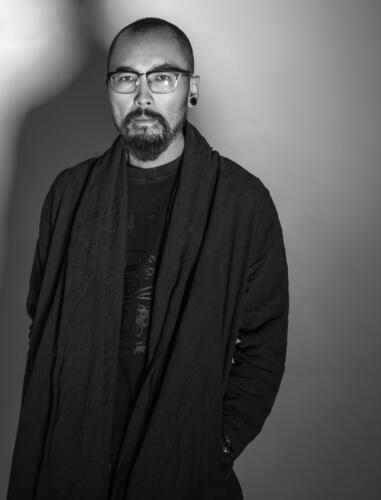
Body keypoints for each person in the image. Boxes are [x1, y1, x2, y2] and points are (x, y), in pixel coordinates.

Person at [7, 17, 289, 500]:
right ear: (109, 89)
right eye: (126, 78)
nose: (142, 96)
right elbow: (43, 321)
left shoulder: (242, 203)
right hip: (72, 459)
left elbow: (263, 345)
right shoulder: (69, 194)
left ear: (191, 88)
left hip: (181, 462)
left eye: (162, 78)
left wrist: (217, 444)